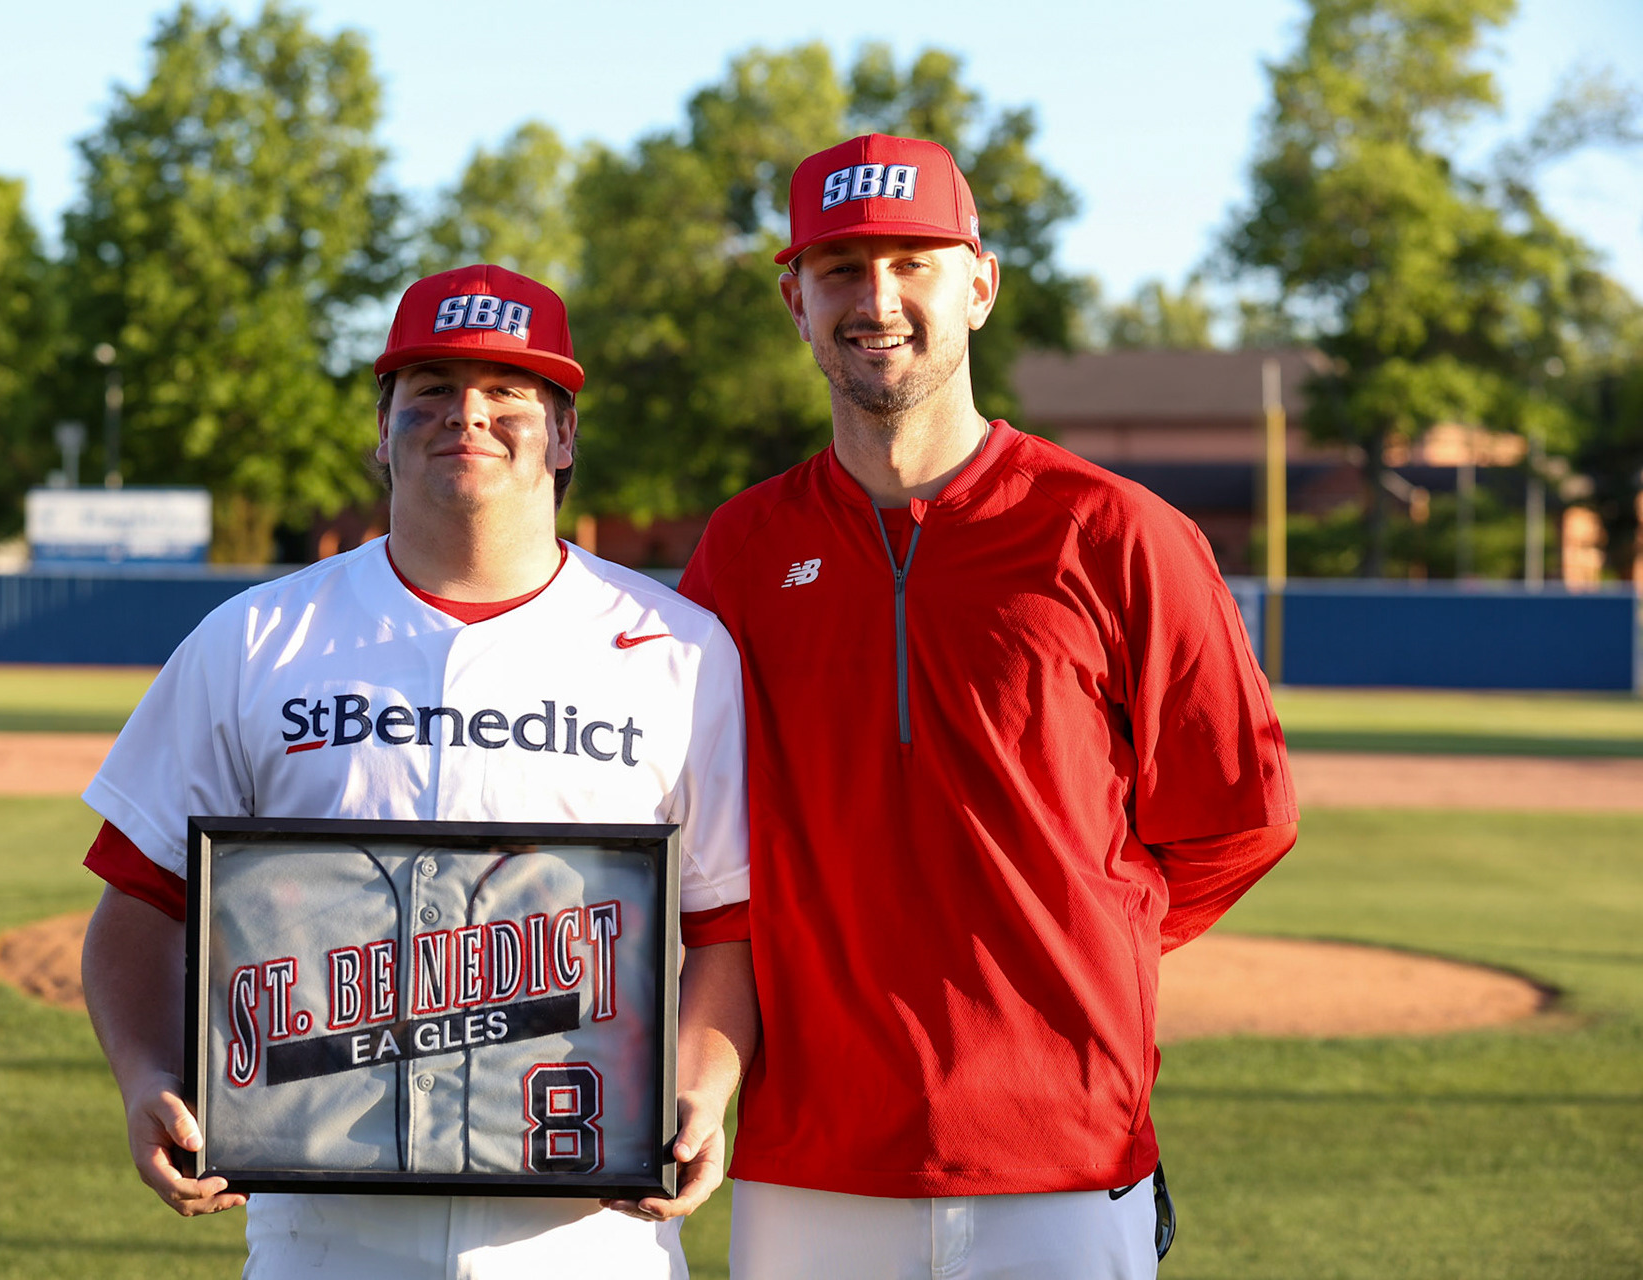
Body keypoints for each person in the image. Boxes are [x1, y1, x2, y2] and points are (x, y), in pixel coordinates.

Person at [678, 134, 1299, 1279]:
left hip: (1064, 1149)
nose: (878, 299)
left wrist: (1076, 949)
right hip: (812, 1154)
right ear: (794, 299)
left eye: (915, 261)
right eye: (840, 269)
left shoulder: (1118, 533)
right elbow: (696, 831)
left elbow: (1239, 815)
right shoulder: (743, 549)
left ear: (980, 281)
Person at [79, 263, 756, 1279]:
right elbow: (137, 903)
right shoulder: (255, 637)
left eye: (507, 391)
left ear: (564, 433)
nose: (466, 415)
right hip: (325, 1222)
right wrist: (147, 1077)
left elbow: (725, 925)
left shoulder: (678, 647)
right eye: (430, 388)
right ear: (381, 425)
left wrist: (701, 1088)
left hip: (585, 1228)